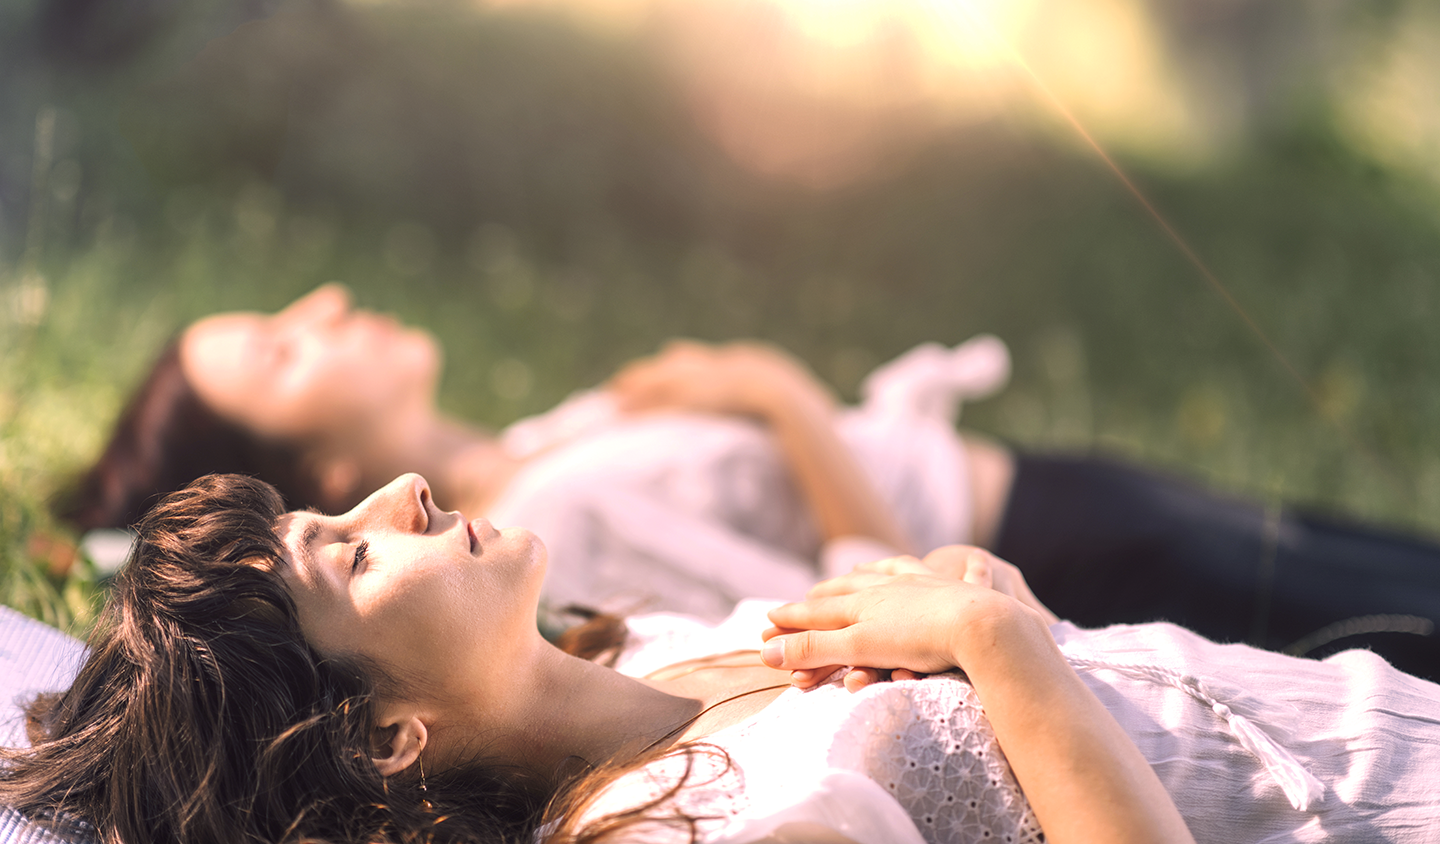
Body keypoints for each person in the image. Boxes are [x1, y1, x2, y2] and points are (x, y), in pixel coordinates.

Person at [63, 284, 1440, 680]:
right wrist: (780, 394)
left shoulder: (537, 444)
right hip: (1055, 552)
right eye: (283, 350)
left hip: (1060, 492)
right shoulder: (551, 524)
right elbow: (856, 609)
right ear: (323, 470)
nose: (325, 303)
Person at [6, 472, 1440, 844]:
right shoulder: (682, 825)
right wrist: (1003, 648)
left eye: (337, 514)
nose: (399, 500)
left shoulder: (663, 652)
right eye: (359, 559)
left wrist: (976, 600)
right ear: (386, 738)